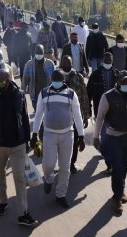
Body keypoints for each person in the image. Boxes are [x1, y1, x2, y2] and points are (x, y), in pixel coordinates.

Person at [0, 70, 38, 227]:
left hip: (17, 144)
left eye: (0, 80)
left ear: (7, 80)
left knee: (19, 178)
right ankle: (3, 201)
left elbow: (24, 118)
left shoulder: (19, 94)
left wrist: (27, 141)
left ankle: (23, 213)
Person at [30, 70, 86, 208]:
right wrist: (34, 134)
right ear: (51, 80)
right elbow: (38, 115)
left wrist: (82, 135)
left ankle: (61, 194)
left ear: (63, 80)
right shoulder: (44, 93)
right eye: (54, 79)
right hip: (49, 134)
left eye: (59, 79)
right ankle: (48, 179)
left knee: (65, 167)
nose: (56, 82)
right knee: (48, 164)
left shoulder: (71, 94)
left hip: (67, 134)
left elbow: (77, 115)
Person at [93, 70, 127, 215]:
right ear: (118, 82)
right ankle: (117, 197)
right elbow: (100, 118)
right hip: (113, 137)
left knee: (126, 164)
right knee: (118, 166)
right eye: (124, 82)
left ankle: (121, 189)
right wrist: (96, 137)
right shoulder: (108, 97)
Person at [87, 52, 120, 172]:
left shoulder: (117, 75)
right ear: (102, 60)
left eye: (110, 60)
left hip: (114, 111)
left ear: (112, 60)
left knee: (110, 136)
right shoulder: (95, 75)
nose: (108, 62)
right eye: (106, 59)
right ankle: (106, 154)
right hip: (99, 109)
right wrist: (88, 107)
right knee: (104, 135)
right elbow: (88, 92)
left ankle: (109, 162)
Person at [60, 56, 91, 173]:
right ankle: (63, 163)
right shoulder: (57, 76)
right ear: (61, 63)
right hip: (61, 116)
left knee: (75, 141)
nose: (66, 64)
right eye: (64, 62)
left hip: (75, 116)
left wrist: (86, 115)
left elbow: (84, 96)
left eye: (68, 63)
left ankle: (72, 163)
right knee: (61, 142)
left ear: (72, 63)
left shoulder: (78, 77)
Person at [21, 44, 55, 111]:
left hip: (48, 94)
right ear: (34, 53)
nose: (39, 55)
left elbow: (55, 77)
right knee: (38, 112)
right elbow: (25, 79)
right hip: (35, 95)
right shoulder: (29, 64)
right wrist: (22, 92)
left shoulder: (50, 64)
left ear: (43, 53)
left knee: (47, 113)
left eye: (40, 53)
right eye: (37, 53)